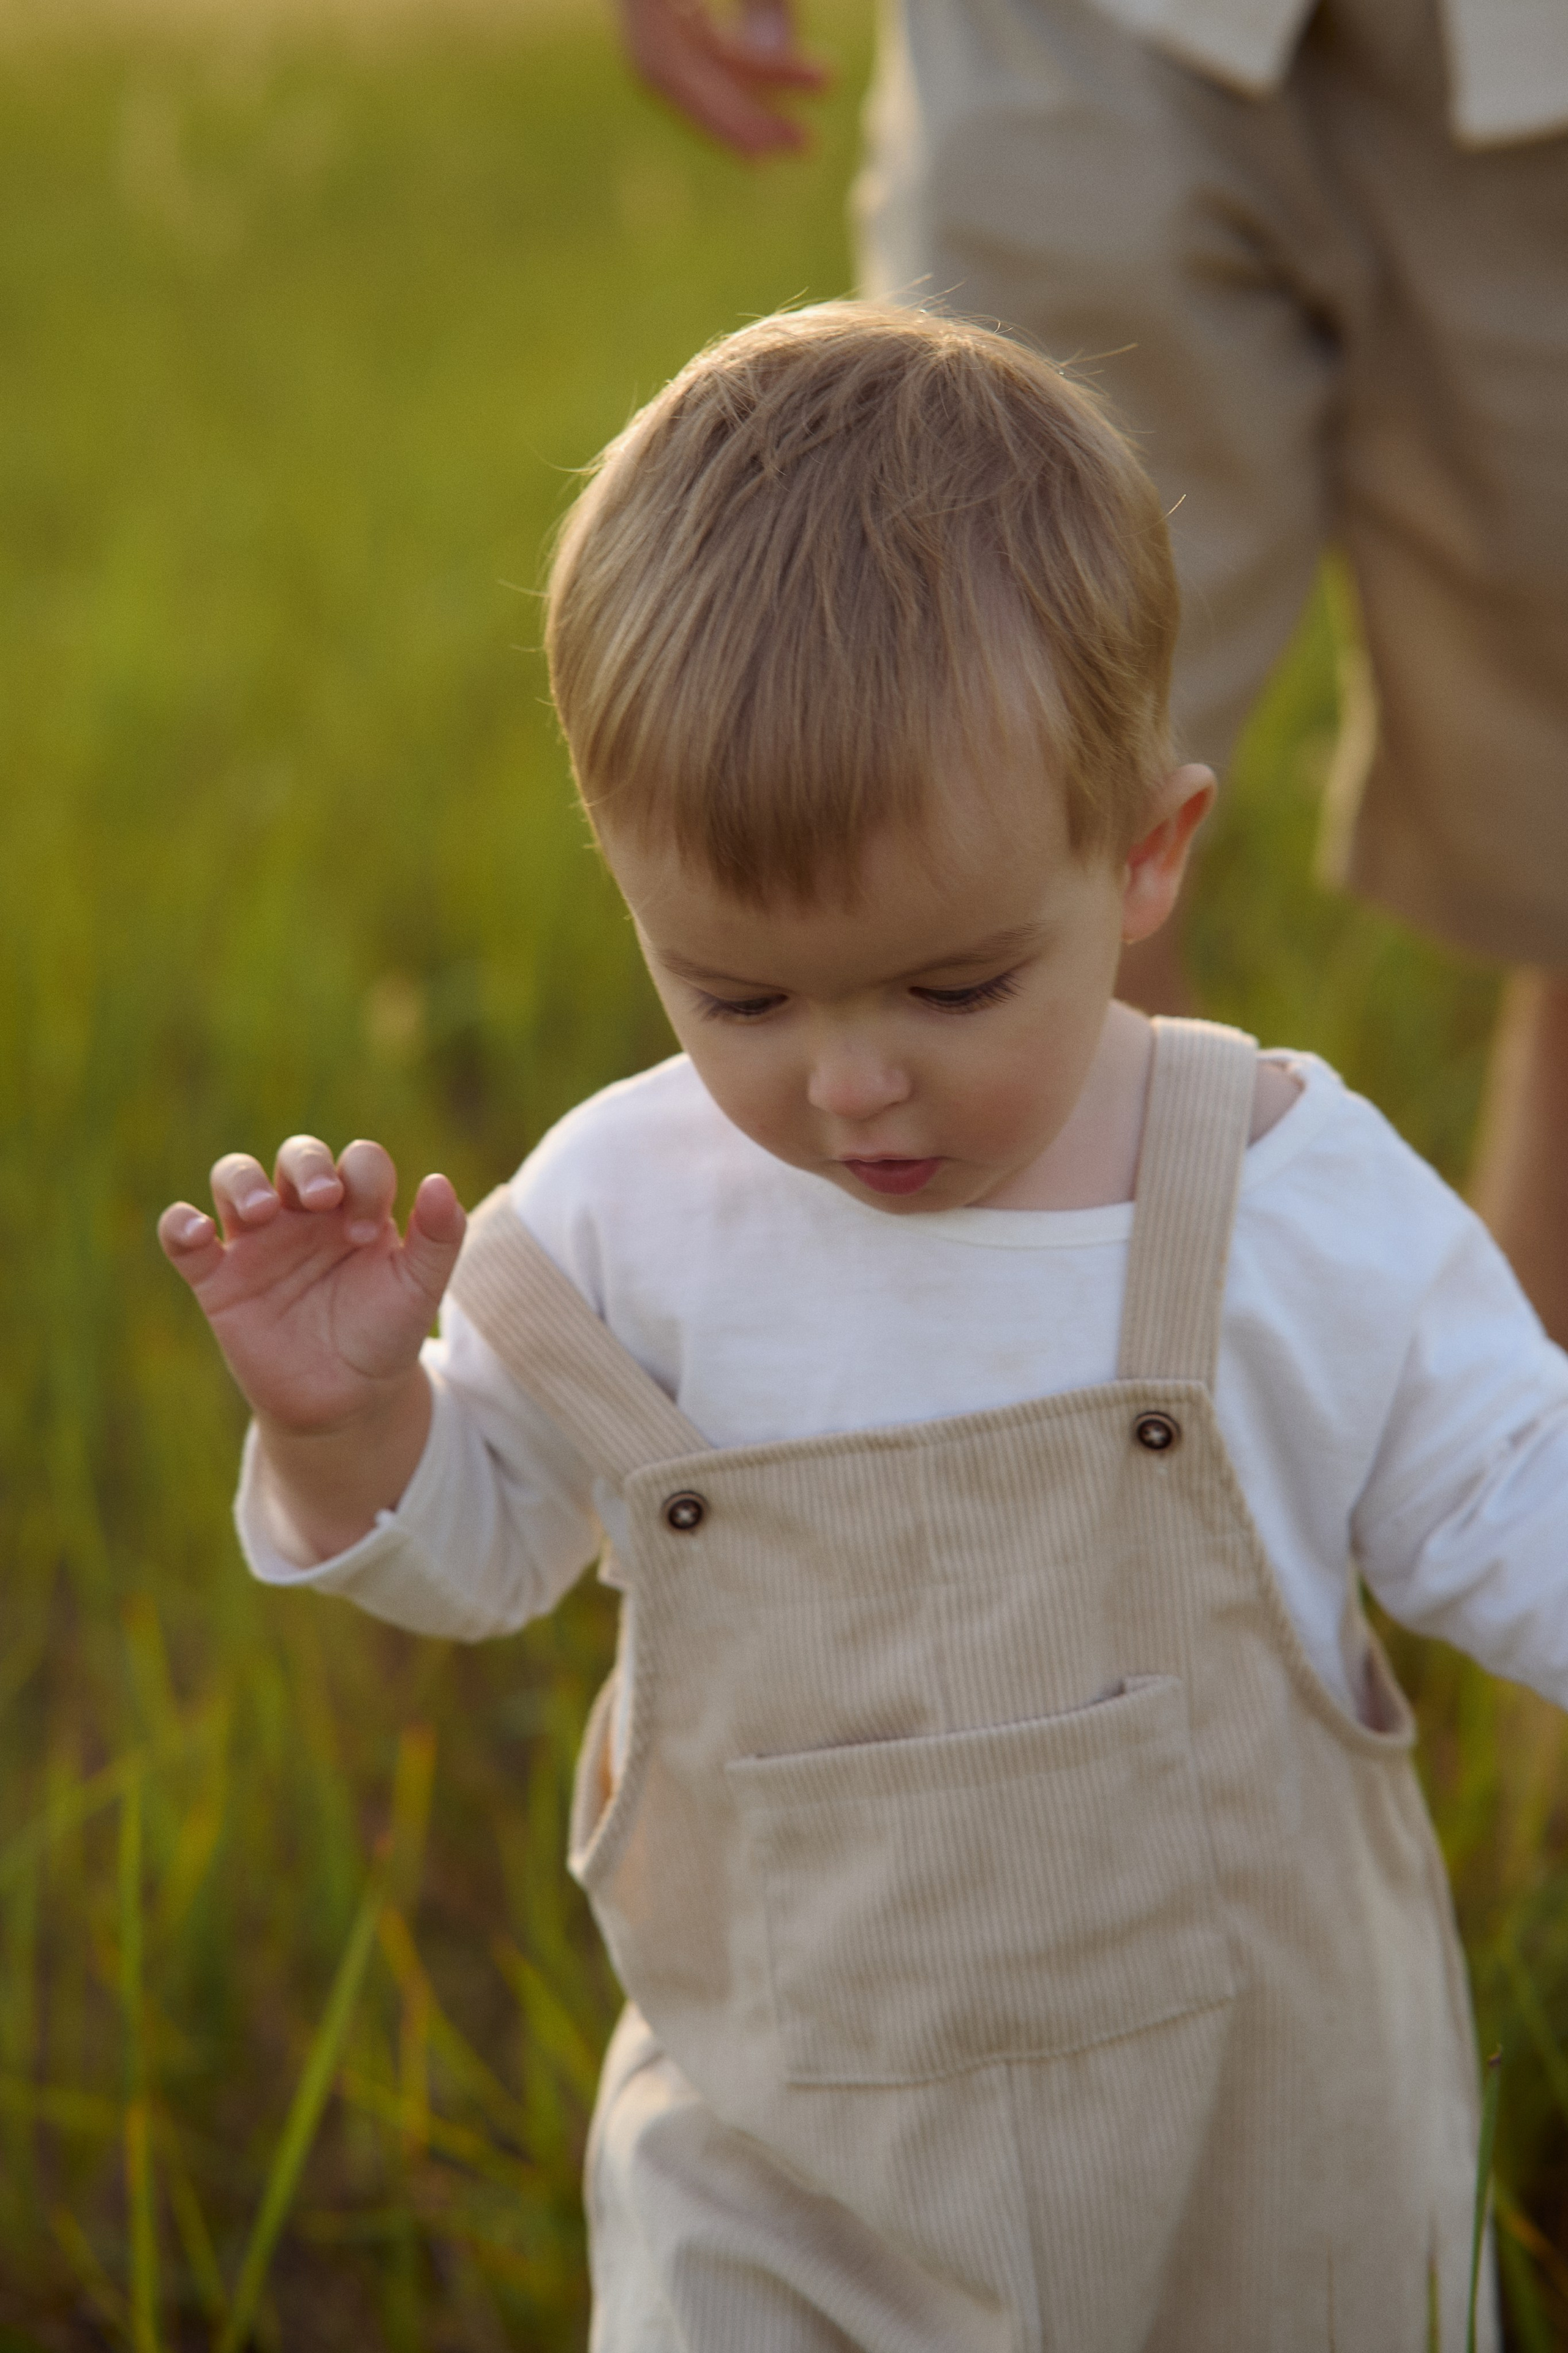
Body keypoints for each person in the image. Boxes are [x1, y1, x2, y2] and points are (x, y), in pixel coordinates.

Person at [156, 305, 1568, 2344]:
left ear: (1145, 856)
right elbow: (490, 1554)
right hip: (788, 2184)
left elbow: (1512, 1490)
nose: (851, 1088)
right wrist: (344, 1437)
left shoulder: (1269, 1195)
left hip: (1263, 2165)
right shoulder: (624, 1221)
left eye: (953, 987)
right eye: (738, 998)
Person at [615, 0, 1568, 1350]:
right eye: (742, 998)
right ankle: (1097, 1467)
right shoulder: (588, 1219)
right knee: (969, 747)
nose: (854, 1087)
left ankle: (1501, 1489)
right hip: (1081, 33)